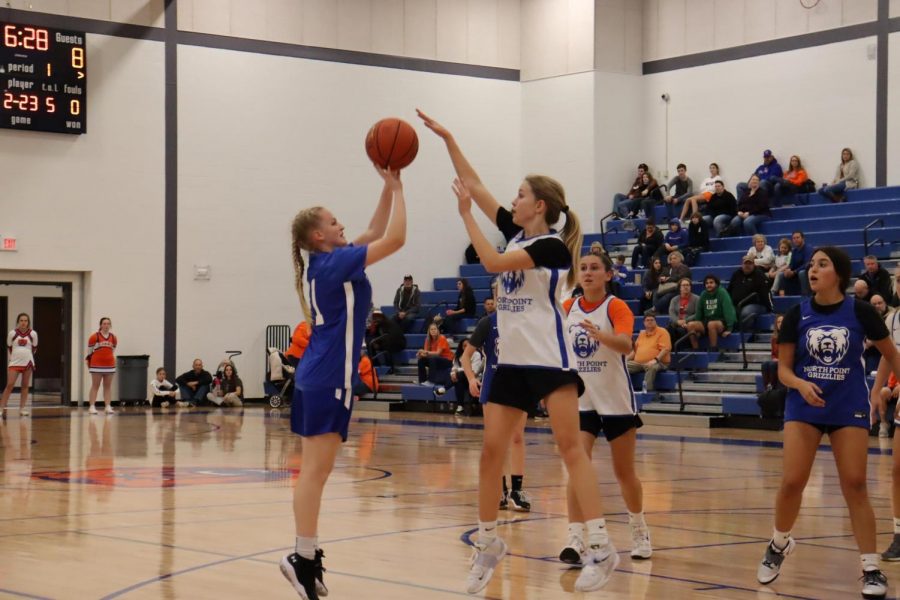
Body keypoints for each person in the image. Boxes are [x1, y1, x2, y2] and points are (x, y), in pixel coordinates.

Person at [419, 108, 618, 593]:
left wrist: (466, 216)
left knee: (572, 450)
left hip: (549, 359)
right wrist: (448, 138)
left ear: (541, 205)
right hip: (509, 360)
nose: (513, 200)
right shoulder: (518, 230)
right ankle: (487, 544)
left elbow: (487, 260)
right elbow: (475, 181)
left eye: (521, 194)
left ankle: (600, 547)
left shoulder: (551, 246)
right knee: (490, 454)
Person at [280, 165, 406, 600]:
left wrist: (388, 186)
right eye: (333, 222)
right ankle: (301, 557)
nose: (342, 225)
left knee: (320, 470)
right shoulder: (331, 266)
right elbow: (395, 239)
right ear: (318, 236)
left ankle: (306, 556)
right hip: (327, 376)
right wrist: (402, 190)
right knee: (315, 472)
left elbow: (374, 228)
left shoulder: (329, 260)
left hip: (326, 375)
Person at [757, 246, 898, 599]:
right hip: (804, 405)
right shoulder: (796, 315)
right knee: (792, 482)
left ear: (839, 273)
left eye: (822, 264)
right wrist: (800, 384)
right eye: (812, 265)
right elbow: (785, 369)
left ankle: (870, 567)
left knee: (855, 484)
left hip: (847, 404)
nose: (813, 270)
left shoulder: (861, 312)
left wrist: (882, 392)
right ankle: (779, 543)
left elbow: (892, 356)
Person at [560, 251, 652, 563]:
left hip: (615, 400)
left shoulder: (616, 306)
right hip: (581, 401)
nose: (588, 273)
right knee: (576, 465)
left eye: (595, 268)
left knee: (624, 472)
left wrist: (603, 336)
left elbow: (627, 346)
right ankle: (575, 537)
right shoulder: (567, 308)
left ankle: (638, 527)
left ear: (608, 275)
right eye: (583, 268)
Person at [686, 274, 736, 352]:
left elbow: (728, 310)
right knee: (690, 325)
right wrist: (698, 325)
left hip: (721, 322)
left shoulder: (722, 292)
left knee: (711, 324)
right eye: (707, 283)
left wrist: (730, 328)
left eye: (711, 282)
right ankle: (695, 350)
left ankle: (713, 349)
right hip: (707, 321)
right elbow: (699, 312)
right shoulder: (703, 294)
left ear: (716, 284)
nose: (709, 285)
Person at [1, 313, 37, 419]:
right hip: (15, 362)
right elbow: (9, 346)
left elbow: (34, 348)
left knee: (25, 386)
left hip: (28, 362)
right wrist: (16, 356)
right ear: (18, 321)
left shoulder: (33, 334)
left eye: (25, 320)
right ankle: (1, 408)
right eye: (21, 320)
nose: (23, 322)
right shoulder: (12, 333)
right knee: (10, 384)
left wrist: (27, 356)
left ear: (28, 322)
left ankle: (22, 409)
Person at [627, 313, 671, 393]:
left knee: (652, 367)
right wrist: (625, 360)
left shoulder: (662, 332)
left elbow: (665, 349)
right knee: (622, 366)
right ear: (644, 323)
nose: (650, 322)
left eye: (652, 320)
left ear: (655, 321)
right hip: (639, 363)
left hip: (659, 362)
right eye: (647, 320)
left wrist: (655, 360)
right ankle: (624, 389)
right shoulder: (642, 334)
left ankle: (647, 391)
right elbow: (635, 351)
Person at [727, 255, 773, 328]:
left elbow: (767, 292)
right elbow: (729, 290)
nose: (747, 266)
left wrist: (769, 306)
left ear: (754, 264)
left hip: (756, 304)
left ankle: (745, 333)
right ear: (742, 264)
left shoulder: (759, 275)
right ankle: (733, 330)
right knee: (728, 311)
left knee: (745, 312)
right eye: (745, 264)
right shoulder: (736, 274)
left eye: (750, 264)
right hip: (737, 304)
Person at [86, 317, 117, 415]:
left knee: (107, 386)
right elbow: (89, 352)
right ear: (100, 325)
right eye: (104, 323)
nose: (106, 325)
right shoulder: (94, 337)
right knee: (95, 385)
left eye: (108, 324)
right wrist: (90, 364)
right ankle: (92, 406)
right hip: (96, 365)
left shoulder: (113, 337)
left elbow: (112, 350)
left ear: (110, 325)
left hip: (110, 365)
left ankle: (107, 406)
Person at [417, 323, 453, 387]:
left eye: (435, 329)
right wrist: (421, 354)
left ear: (437, 330)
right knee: (421, 361)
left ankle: (431, 381)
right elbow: (426, 354)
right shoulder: (427, 340)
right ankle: (422, 381)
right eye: (431, 329)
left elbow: (438, 353)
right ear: (429, 331)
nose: (433, 331)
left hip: (447, 360)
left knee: (433, 359)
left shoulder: (442, 338)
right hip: (435, 360)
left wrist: (426, 352)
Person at [451, 339, 482, 414]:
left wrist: (457, 371)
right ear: (461, 347)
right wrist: (453, 374)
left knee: (459, 375)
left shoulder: (476, 354)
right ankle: (460, 407)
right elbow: (453, 368)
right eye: (464, 346)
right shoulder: (458, 355)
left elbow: (473, 371)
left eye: (468, 345)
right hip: (463, 379)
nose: (466, 347)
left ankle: (461, 406)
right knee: (457, 380)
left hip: (475, 379)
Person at [667, 278, 699, 349]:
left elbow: (698, 313)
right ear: (680, 288)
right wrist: (678, 321)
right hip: (676, 323)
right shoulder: (674, 300)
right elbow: (671, 313)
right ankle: (671, 350)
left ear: (690, 287)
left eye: (688, 285)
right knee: (668, 329)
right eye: (683, 285)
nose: (686, 287)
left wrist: (686, 321)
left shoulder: (697, 299)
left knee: (681, 330)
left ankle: (683, 350)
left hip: (689, 324)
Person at [778, 231, 813, 296]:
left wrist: (794, 272)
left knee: (801, 273)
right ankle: (783, 297)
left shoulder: (808, 248)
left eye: (797, 237)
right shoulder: (794, 251)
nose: (795, 240)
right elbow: (791, 265)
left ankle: (805, 295)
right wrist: (788, 270)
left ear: (803, 238)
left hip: (806, 272)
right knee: (781, 274)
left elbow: (807, 264)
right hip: (795, 273)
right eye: (794, 238)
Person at [760, 314, 784, 390]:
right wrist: (774, 358)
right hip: (777, 361)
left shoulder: (790, 336)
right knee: (765, 364)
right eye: (778, 322)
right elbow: (773, 354)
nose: (780, 324)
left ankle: (773, 387)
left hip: (786, 362)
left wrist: (780, 360)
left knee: (772, 365)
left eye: (782, 322)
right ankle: (767, 388)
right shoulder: (774, 338)